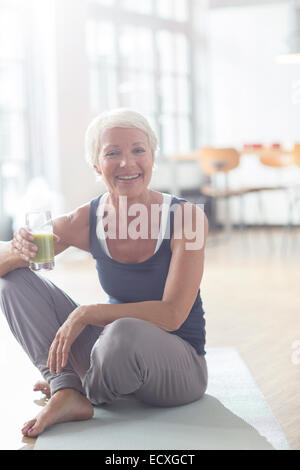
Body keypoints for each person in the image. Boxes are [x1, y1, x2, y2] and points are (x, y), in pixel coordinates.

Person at [0, 108, 208, 438]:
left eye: (138, 150)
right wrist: (19, 247)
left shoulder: (187, 218)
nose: (127, 163)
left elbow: (171, 316)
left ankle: (79, 383)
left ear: (152, 157)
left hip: (179, 365)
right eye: (113, 153)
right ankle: (67, 389)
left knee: (123, 333)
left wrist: (88, 313)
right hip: (113, 351)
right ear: (97, 165)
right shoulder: (88, 219)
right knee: (12, 282)